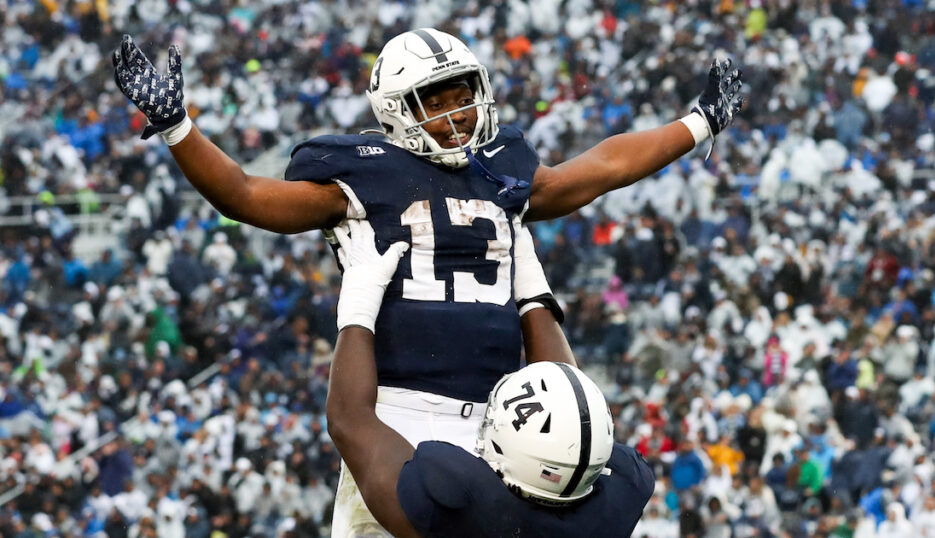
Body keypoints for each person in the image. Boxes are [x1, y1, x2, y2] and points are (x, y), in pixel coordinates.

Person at [112, 28, 739, 534]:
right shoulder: (361, 172)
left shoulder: (504, 170)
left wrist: (699, 123)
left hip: (505, 424)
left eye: (463, 91)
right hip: (397, 415)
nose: (457, 110)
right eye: (435, 99)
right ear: (396, 110)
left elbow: (600, 166)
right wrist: (179, 129)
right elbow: (246, 196)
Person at [324, 219, 655, 537]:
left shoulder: (461, 505)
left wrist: (359, 301)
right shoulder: (622, 497)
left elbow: (348, 420)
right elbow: (571, 405)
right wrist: (532, 291)